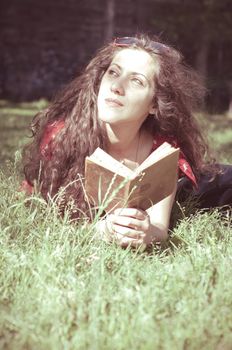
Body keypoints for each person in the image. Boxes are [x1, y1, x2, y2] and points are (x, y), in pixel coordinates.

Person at [22, 34, 232, 249]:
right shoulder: (62, 137)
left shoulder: (163, 147)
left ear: (154, 104)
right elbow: (40, 215)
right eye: (113, 73)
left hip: (189, 188)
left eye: (137, 81)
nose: (117, 87)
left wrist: (146, 233)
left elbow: (159, 227)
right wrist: (99, 231)